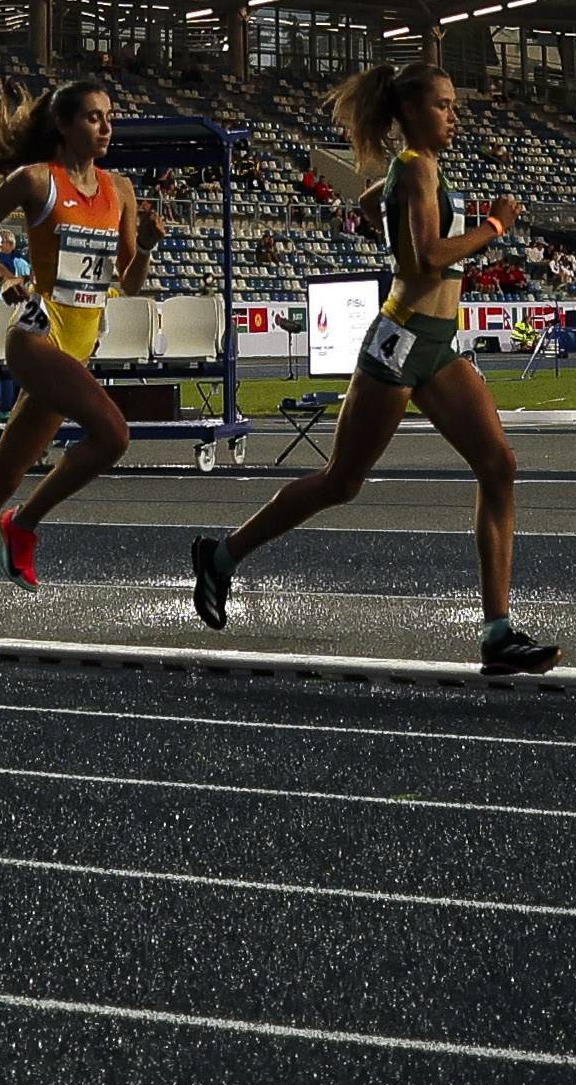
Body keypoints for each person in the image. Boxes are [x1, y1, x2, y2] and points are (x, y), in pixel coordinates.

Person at [191, 61, 556, 679]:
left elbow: (375, 205)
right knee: (342, 481)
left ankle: (497, 633)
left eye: (453, 105)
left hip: (436, 344)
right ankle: (221, 557)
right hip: (401, 340)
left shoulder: (416, 170)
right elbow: (424, 266)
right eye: (443, 105)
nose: (454, 115)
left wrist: (383, 209)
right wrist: (496, 225)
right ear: (411, 112)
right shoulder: (415, 166)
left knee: (499, 464)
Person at [0, 83, 153, 617]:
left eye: (110, 117)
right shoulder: (36, 181)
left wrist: (150, 247)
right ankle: (24, 523)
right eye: (93, 118)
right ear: (65, 125)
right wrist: (5, 278)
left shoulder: (120, 190)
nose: (106, 127)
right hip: (35, 333)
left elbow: (131, 280)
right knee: (114, 435)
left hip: (75, 349)